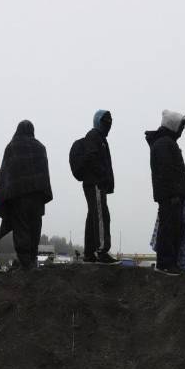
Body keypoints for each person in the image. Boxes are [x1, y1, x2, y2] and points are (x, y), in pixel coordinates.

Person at [0, 120, 52, 271]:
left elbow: (6, 174)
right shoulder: (40, 148)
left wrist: (5, 196)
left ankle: (26, 264)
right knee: (35, 228)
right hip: (37, 198)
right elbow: (44, 175)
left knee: (21, 229)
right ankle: (31, 261)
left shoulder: (12, 147)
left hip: (19, 197)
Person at [146, 110, 185, 276]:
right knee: (169, 228)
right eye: (181, 126)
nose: (182, 130)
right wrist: (174, 194)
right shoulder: (165, 144)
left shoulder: (166, 142)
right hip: (170, 195)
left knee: (175, 227)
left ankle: (170, 263)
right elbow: (167, 172)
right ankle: (166, 263)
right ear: (173, 125)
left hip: (173, 194)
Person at [79, 110, 118, 264]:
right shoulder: (94, 136)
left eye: (110, 122)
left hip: (95, 182)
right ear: (98, 122)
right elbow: (93, 158)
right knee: (102, 215)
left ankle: (89, 253)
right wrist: (102, 177)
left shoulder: (99, 138)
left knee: (94, 216)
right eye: (105, 122)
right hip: (95, 183)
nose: (109, 125)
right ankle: (102, 251)